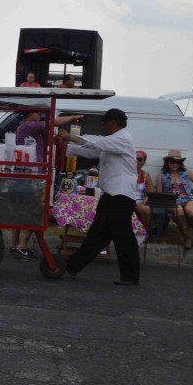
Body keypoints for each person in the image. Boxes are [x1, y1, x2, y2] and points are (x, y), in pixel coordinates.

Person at [57, 108, 139, 286]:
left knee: (122, 236)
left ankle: (131, 275)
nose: (103, 127)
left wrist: (69, 136)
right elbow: (91, 151)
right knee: (97, 235)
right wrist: (66, 146)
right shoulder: (113, 142)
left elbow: (95, 143)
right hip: (112, 194)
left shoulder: (121, 139)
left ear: (112, 123)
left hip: (120, 195)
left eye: (104, 123)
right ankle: (72, 265)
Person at [11, 109, 83, 260]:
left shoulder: (29, 129)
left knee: (24, 211)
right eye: (38, 113)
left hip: (33, 175)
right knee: (37, 210)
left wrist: (56, 140)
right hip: (33, 176)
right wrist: (73, 116)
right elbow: (53, 123)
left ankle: (16, 245)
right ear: (30, 114)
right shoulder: (28, 126)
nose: (40, 116)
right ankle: (22, 245)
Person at [160, 149, 193, 251]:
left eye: (178, 162)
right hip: (171, 201)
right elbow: (160, 193)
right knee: (179, 209)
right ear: (167, 162)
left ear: (181, 163)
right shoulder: (162, 175)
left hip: (188, 198)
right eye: (172, 161)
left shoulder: (186, 173)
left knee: (190, 210)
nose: (175, 164)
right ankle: (187, 238)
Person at [133, 150, 153, 233]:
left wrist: (147, 198)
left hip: (139, 200)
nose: (136, 161)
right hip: (126, 197)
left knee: (147, 209)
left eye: (139, 159)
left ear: (144, 162)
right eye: (134, 158)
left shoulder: (146, 176)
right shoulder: (126, 172)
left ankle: (143, 233)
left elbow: (150, 193)